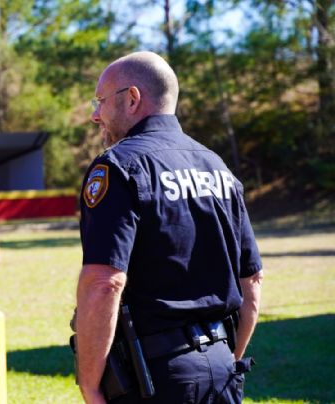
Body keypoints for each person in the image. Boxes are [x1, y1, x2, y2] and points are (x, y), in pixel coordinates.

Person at [74, 52, 264, 403]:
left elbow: (104, 283)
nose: (95, 114)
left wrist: (89, 385)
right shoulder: (216, 166)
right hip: (222, 370)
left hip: (157, 377)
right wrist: (227, 358)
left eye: (100, 101)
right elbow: (250, 282)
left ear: (132, 99)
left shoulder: (118, 167)